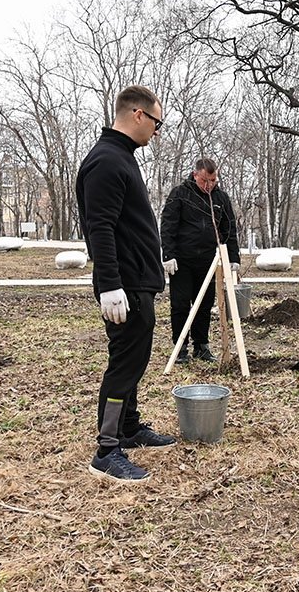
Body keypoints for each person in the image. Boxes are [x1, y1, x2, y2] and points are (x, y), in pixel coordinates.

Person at [76, 85, 176, 484]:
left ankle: (130, 427)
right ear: (138, 114)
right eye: (157, 123)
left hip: (138, 279)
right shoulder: (105, 162)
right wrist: (110, 284)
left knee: (135, 359)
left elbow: (130, 224)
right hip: (124, 285)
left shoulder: (122, 158)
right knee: (124, 363)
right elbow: (99, 228)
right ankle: (107, 447)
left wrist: (156, 258)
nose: (157, 131)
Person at [160, 158, 240, 363]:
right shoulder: (180, 194)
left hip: (207, 260)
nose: (209, 184)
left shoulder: (221, 198)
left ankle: (201, 346)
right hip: (182, 260)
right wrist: (168, 255)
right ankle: (180, 348)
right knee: (180, 304)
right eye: (205, 180)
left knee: (204, 304)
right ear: (195, 175)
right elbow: (168, 225)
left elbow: (229, 229)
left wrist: (233, 258)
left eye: (213, 180)